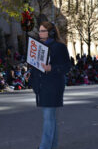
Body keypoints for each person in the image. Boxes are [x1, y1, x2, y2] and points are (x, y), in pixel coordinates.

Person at [28, 21, 71, 149]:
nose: (40, 33)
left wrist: (51, 68)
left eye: (43, 31)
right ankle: (53, 146)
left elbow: (67, 67)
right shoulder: (38, 46)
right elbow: (36, 65)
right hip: (41, 85)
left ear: (51, 32)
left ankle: (44, 147)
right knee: (51, 119)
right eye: (39, 31)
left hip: (54, 85)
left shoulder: (60, 47)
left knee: (48, 118)